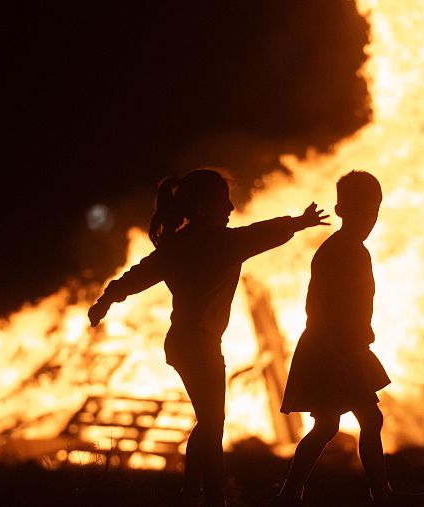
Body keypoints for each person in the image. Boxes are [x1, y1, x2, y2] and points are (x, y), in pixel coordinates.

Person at [87, 169, 329, 507]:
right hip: (200, 345)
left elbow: (135, 277)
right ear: (202, 208)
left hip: (183, 344)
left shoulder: (177, 247)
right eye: (223, 202)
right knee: (212, 424)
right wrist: (299, 222)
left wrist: (105, 301)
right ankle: (204, 495)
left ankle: (202, 493)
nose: (230, 208)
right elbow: (263, 233)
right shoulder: (225, 244)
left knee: (210, 424)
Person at [275, 171, 420, 506]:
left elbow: (357, 301)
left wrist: (361, 332)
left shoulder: (356, 251)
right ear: (341, 210)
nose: (368, 220)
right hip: (332, 349)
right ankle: (381, 494)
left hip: (344, 347)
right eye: (360, 212)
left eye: (373, 213)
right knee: (369, 418)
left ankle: (289, 494)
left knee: (327, 426)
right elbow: (318, 307)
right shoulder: (336, 252)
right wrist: (341, 352)